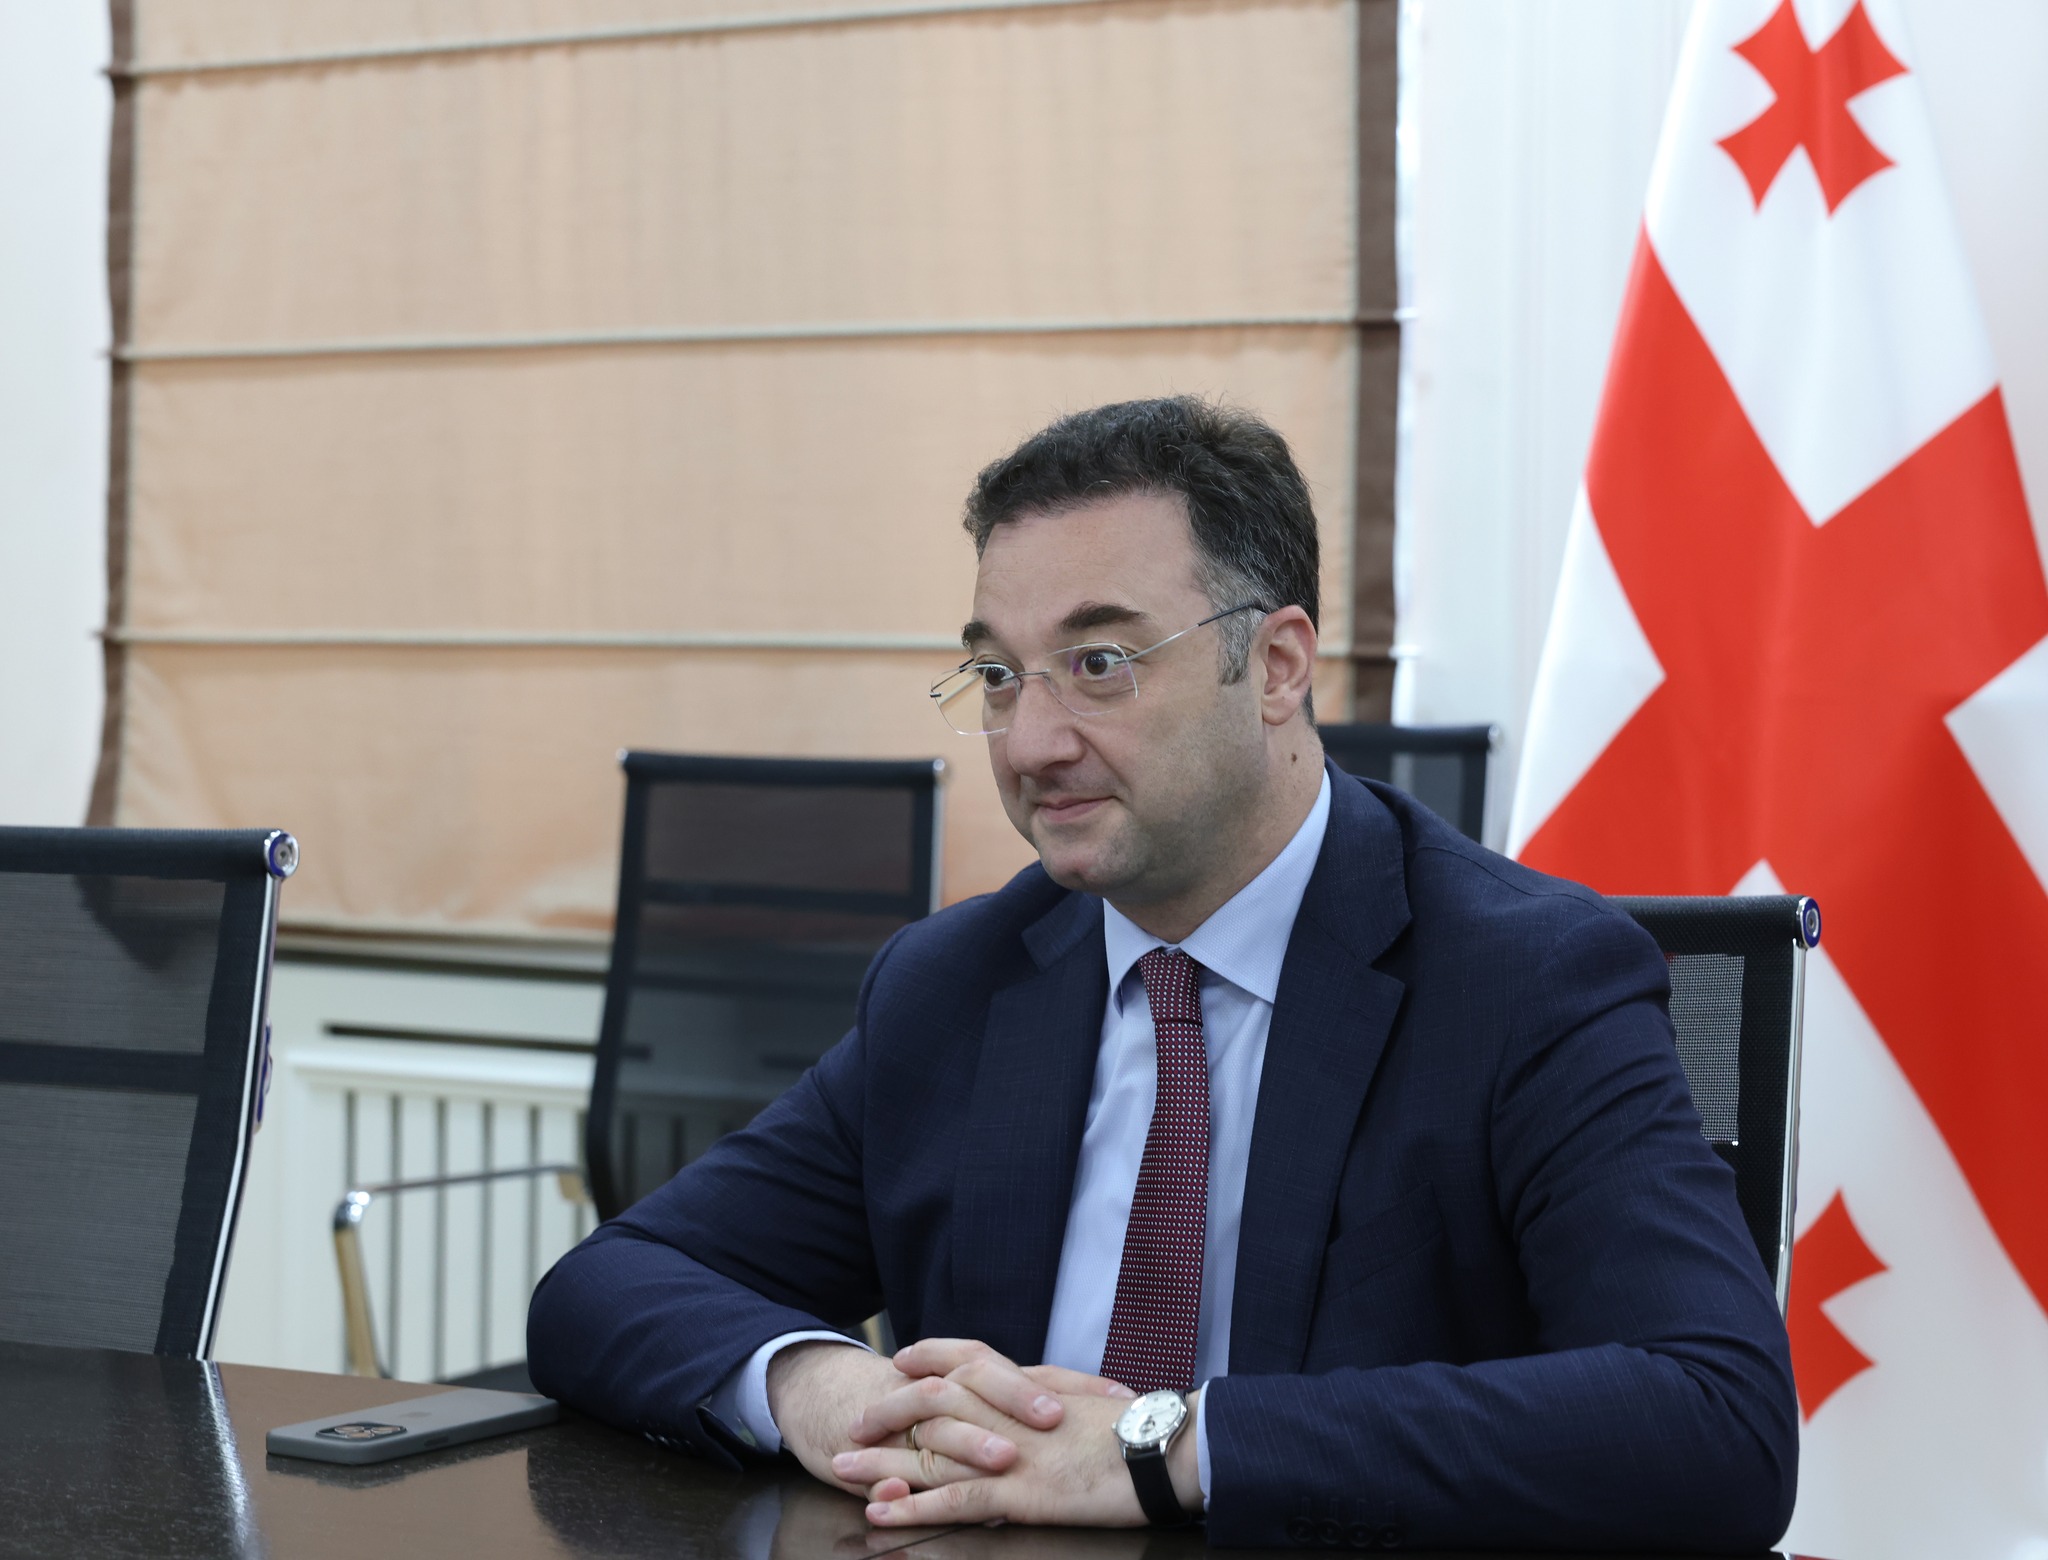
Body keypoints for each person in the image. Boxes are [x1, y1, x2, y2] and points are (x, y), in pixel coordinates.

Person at [527, 396, 1798, 1549]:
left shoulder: (1524, 980)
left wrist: (1163, 1447)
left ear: (1277, 667)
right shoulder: (952, 984)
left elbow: (1714, 1421)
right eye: (997, 675)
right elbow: (606, 1290)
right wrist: (830, 1389)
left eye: (1100, 664)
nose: (1029, 743)